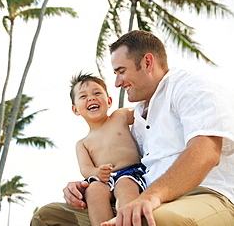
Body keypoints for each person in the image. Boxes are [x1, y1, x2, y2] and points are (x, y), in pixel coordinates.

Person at [31, 30, 234, 226]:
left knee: (145, 221)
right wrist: (86, 185)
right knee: (48, 217)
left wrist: (151, 196)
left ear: (147, 62)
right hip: (146, 198)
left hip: (205, 193)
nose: (117, 83)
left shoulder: (190, 85)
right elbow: (119, 163)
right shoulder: (137, 115)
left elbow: (207, 152)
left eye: (121, 72)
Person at [70, 72, 147, 225]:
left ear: (109, 101)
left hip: (130, 172)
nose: (91, 98)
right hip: (103, 179)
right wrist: (97, 172)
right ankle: (103, 223)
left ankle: (125, 220)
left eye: (97, 93)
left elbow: (144, 111)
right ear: (76, 110)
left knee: (125, 186)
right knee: (93, 190)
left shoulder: (120, 116)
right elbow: (85, 169)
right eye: (83, 96)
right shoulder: (83, 143)